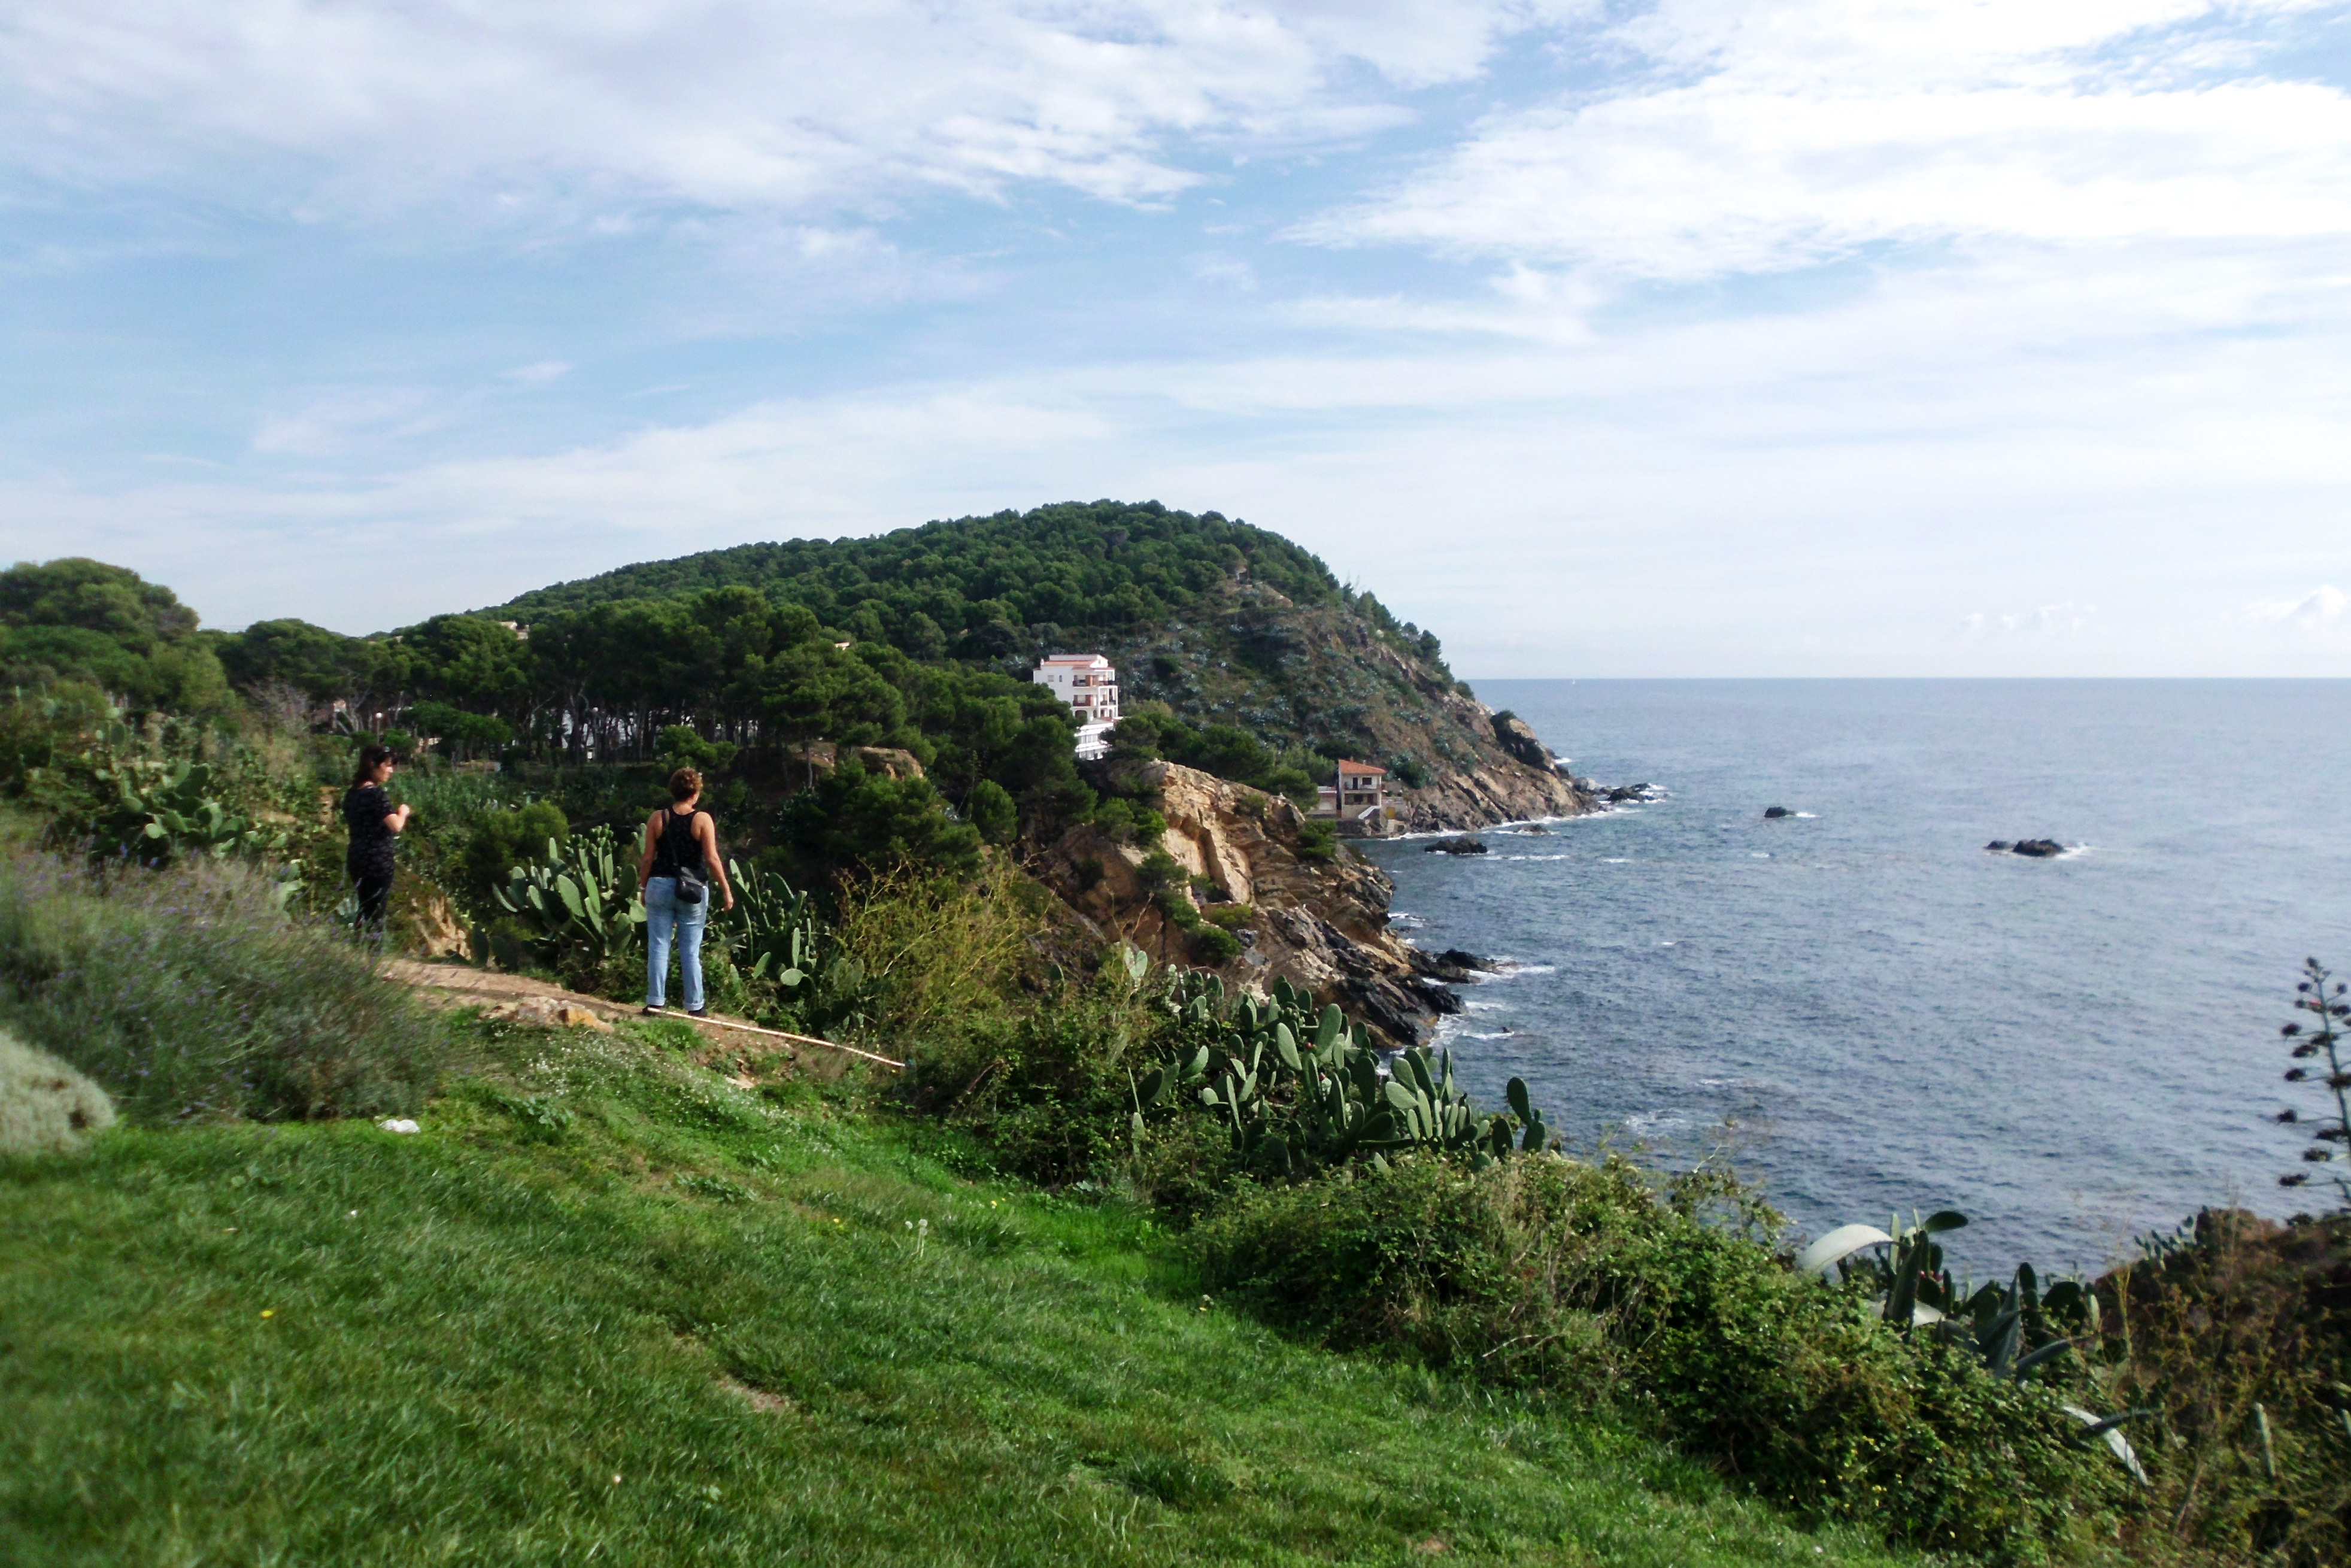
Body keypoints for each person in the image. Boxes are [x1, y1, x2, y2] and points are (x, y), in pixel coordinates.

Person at [638, 766, 735, 1016]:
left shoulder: (657, 818)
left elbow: (648, 858)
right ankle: (695, 1006)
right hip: (691, 889)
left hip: (659, 885)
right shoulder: (702, 820)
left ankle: (655, 1002)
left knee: (659, 945)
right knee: (690, 950)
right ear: (696, 794)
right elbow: (712, 859)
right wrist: (726, 890)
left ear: (673, 790)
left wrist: (642, 886)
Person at [344, 742, 411, 940]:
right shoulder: (376, 794)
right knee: (377, 914)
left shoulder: (352, 794)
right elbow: (396, 826)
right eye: (387, 765)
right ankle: (374, 954)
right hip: (377, 861)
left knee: (364, 908)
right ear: (373, 765)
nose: (391, 770)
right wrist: (403, 812)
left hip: (357, 857)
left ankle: (358, 950)